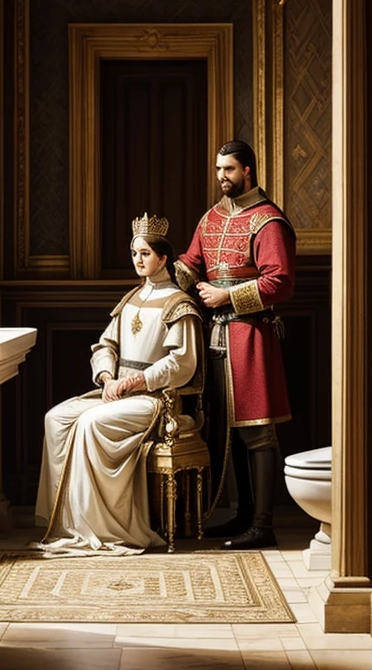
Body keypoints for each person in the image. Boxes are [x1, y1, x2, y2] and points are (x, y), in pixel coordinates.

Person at [34, 213, 203, 556]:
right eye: (134, 253)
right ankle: (67, 523)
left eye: (145, 254)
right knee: (56, 418)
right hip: (116, 390)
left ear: (163, 258)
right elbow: (105, 346)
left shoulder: (179, 305)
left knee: (90, 422)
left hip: (155, 400)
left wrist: (138, 380)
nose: (138, 260)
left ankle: (103, 525)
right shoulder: (130, 300)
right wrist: (109, 377)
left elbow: (182, 363)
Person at [175, 140, 296, 550]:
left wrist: (227, 296)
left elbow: (279, 282)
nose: (221, 177)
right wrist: (157, 269)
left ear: (248, 170)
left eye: (228, 169)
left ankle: (263, 524)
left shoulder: (269, 221)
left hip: (252, 335)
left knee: (258, 432)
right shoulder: (210, 218)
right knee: (227, 429)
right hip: (214, 337)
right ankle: (243, 515)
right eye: (217, 169)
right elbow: (191, 266)